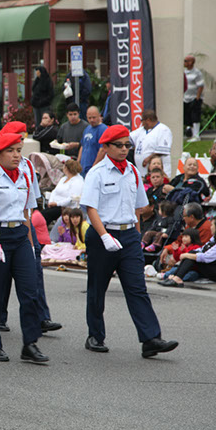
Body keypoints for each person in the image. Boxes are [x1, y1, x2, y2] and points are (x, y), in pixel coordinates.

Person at [80, 124, 178, 357]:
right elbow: (90, 208)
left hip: (128, 236)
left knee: (137, 288)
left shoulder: (132, 171)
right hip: (103, 234)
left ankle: (151, 338)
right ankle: (95, 335)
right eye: (119, 145)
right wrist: (104, 236)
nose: (125, 149)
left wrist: (136, 234)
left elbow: (137, 209)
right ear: (106, 147)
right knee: (97, 288)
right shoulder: (97, 173)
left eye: (127, 145)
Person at [0, 132, 50, 363]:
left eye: (19, 150)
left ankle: (30, 343)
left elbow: (27, 213)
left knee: (30, 291)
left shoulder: (25, 175)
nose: (17, 155)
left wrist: (30, 242)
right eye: (11, 151)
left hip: (19, 236)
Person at [160, 215, 216, 286]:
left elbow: (207, 257)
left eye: (212, 225)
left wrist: (187, 255)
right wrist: (189, 254)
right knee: (192, 253)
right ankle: (176, 277)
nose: (210, 227)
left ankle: (177, 278)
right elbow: (202, 249)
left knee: (192, 257)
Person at [159, 202, 212, 267]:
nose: (183, 219)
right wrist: (167, 248)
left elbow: (200, 249)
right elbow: (179, 241)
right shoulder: (189, 226)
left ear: (192, 217)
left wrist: (178, 258)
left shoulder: (206, 228)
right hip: (182, 253)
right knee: (162, 258)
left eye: (184, 216)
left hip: (194, 259)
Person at [39, 159, 84, 225]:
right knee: (39, 215)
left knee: (44, 216)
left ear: (67, 168)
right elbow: (54, 191)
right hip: (54, 205)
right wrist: (51, 202)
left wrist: (57, 203)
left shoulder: (78, 181)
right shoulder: (64, 178)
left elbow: (71, 199)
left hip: (65, 207)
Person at [130, 109, 173, 177]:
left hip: (158, 173)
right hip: (142, 172)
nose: (141, 123)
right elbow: (129, 139)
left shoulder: (163, 129)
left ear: (148, 120)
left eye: (142, 120)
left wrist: (148, 159)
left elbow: (162, 151)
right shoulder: (142, 130)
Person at [78, 106, 108, 176]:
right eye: (89, 118)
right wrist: (78, 162)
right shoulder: (87, 129)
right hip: (83, 167)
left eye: (94, 117)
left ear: (99, 116)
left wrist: (94, 167)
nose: (91, 120)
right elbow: (82, 146)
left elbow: (102, 150)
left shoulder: (103, 129)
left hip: (95, 168)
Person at [183, 55, 205, 142]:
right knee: (187, 116)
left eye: (186, 61)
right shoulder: (184, 72)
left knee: (195, 116)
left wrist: (197, 97)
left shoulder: (197, 73)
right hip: (185, 98)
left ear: (191, 62)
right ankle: (190, 134)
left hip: (194, 98)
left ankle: (196, 135)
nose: (184, 63)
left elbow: (200, 85)